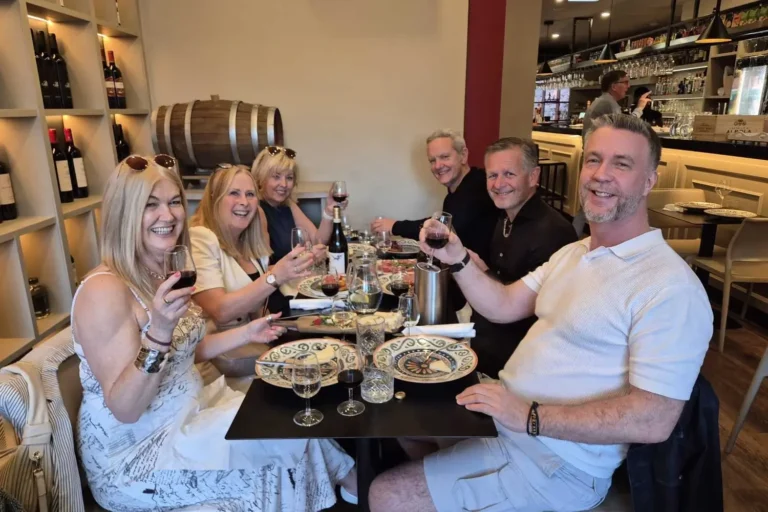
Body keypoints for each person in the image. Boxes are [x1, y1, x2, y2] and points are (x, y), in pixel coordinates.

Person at [368, 114, 713, 512]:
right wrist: (457, 256)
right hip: (510, 423)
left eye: (621, 164)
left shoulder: (669, 286)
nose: (601, 175)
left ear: (649, 180)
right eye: (594, 160)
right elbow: (501, 305)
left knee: (386, 494)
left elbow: (654, 420)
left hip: (558, 464)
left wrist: (530, 416)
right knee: (405, 422)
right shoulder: (575, 253)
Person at [71, 155, 356, 511]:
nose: (169, 215)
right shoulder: (104, 290)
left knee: (289, 418)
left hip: (194, 413)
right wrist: (158, 332)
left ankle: (361, 486)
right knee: (281, 448)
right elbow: (126, 408)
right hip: (141, 453)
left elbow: (189, 349)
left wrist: (247, 332)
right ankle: (361, 487)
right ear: (123, 213)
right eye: (151, 205)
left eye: (174, 202)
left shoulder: (163, 268)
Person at [470, 137, 577, 376]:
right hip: (486, 347)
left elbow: (528, 310)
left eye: (509, 174)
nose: (498, 184)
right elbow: (507, 283)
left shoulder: (553, 231)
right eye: (492, 175)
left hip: (520, 365)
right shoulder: (505, 217)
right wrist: (483, 270)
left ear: (533, 176)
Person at [189, 164, 314, 348]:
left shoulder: (248, 242)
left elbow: (259, 310)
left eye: (250, 194)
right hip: (225, 357)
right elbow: (220, 311)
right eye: (234, 193)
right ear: (214, 199)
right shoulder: (201, 238)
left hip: (258, 345)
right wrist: (275, 277)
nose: (244, 202)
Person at [371, 129, 497, 264]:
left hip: (485, 277)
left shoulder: (479, 185)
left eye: (444, 157)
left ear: (463, 155)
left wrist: (395, 226)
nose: (438, 166)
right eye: (432, 160)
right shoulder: (453, 195)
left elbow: (443, 229)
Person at [574, 71, 652, 236]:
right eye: (624, 82)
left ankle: (576, 237)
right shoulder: (606, 104)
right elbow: (624, 130)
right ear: (614, 86)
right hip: (602, 158)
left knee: (590, 201)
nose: (628, 86)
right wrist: (639, 108)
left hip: (597, 157)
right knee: (593, 201)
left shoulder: (604, 102)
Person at [251, 146, 345, 262]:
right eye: (276, 177)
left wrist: (329, 212)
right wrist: (307, 258)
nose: (284, 184)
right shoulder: (257, 210)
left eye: (289, 177)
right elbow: (264, 269)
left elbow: (317, 240)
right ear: (261, 178)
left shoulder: (288, 204)